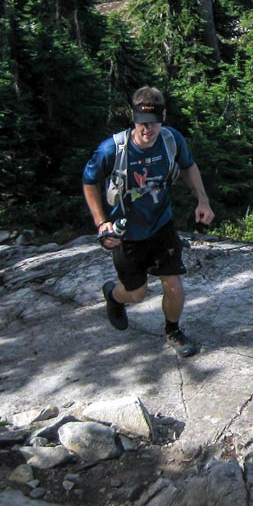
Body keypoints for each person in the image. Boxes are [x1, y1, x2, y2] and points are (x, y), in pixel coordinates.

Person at [82, 87, 214, 357]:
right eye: (141, 123)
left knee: (174, 285)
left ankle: (173, 331)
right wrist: (101, 223)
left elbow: (188, 166)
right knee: (137, 294)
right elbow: (89, 181)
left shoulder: (171, 140)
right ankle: (113, 296)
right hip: (126, 234)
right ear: (133, 118)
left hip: (161, 225)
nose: (147, 130)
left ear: (163, 117)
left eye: (152, 123)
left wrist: (203, 200)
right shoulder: (112, 150)